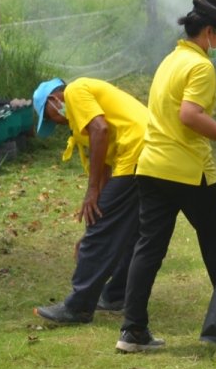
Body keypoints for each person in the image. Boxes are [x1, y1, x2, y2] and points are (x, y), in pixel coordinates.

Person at [116, 0, 216, 353]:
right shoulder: (201, 66)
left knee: (148, 248)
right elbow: (190, 115)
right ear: (210, 31)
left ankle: (132, 332)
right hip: (185, 170)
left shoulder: (171, 60)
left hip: (151, 165)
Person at [30, 76, 149, 325]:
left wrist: (92, 191)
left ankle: (79, 307)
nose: (57, 122)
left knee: (99, 237)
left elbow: (101, 129)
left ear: (54, 100)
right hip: (150, 150)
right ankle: (116, 295)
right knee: (131, 230)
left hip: (137, 151)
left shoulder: (75, 92)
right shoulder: (79, 118)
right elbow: (105, 163)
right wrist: (99, 207)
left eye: (51, 117)